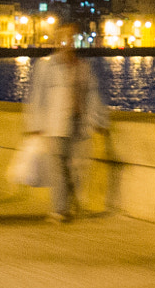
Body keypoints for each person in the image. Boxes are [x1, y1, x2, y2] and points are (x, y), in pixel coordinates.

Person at [22, 26, 106, 222]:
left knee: (75, 167)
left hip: (79, 122)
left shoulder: (83, 66)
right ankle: (60, 209)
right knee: (59, 166)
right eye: (64, 39)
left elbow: (93, 95)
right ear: (58, 41)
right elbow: (37, 96)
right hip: (56, 124)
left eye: (71, 38)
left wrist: (99, 121)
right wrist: (34, 125)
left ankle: (69, 205)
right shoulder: (47, 66)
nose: (68, 42)